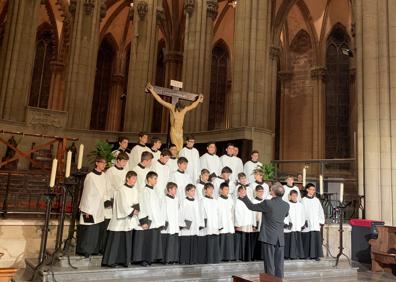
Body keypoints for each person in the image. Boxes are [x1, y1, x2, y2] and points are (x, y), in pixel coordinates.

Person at [239, 182, 290, 278]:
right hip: (280, 238)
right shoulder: (286, 205)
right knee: (279, 264)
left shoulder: (268, 203)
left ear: (272, 192)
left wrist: (244, 197)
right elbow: (285, 214)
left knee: (269, 264)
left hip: (269, 237)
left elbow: (251, 207)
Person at [146, 82, 204, 153]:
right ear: (177, 107)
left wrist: (198, 99)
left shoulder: (184, 109)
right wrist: (152, 90)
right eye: (179, 109)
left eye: (181, 109)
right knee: (176, 148)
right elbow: (160, 100)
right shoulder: (172, 107)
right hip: (174, 130)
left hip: (180, 131)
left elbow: (193, 105)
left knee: (181, 149)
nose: (180, 111)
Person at [102, 171, 139, 267]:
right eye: (133, 178)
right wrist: (131, 211)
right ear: (127, 178)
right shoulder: (121, 190)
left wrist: (136, 210)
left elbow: (136, 202)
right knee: (116, 241)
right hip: (120, 220)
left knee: (126, 241)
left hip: (129, 219)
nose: (135, 180)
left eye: (136, 179)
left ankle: (124, 261)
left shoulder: (134, 190)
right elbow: (122, 204)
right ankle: (110, 261)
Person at [76, 156, 107, 258]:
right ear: (97, 163)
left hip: (99, 207)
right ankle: (85, 250)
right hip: (89, 206)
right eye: (102, 163)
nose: (104, 165)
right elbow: (86, 193)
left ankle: (94, 249)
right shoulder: (90, 176)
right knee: (88, 229)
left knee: (97, 229)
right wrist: (86, 209)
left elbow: (105, 190)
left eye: (105, 163)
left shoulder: (104, 175)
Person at [132, 171, 165, 266]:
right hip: (146, 220)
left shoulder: (154, 191)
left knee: (150, 240)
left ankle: (149, 258)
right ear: (149, 179)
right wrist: (143, 221)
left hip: (153, 221)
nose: (156, 181)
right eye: (155, 178)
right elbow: (142, 206)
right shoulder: (143, 191)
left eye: (156, 179)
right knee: (143, 240)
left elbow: (156, 208)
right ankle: (141, 259)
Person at [179, 184, 204, 264]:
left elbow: (199, 213)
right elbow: (181, 213)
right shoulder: (184, 201)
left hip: (195, 225)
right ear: (187, 191)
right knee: (186, 243)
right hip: (186, 224)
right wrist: (183, 223)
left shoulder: (196, 202)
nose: (194, 192)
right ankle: (184, 260)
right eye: (192, 190)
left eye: (194, 191)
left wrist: (200, 224)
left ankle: (192, 260)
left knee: (193, 242)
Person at [199, 183, 222, 264]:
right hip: (207, 225)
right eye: (209, 189)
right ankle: (208, 260)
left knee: (215, 242)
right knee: (208, 243)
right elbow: (201, 213)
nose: (211, 191)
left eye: (212, 189)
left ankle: (215, 259)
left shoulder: (215, 201)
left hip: (215, 225)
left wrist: (220, 224)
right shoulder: (202, 200)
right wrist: (203, 224)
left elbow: (219, 213)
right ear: (205, 190)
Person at [301, 183, 325, 261]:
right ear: (307, 190)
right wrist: (303, 221)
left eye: (314, 190)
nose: (313, 191)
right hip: (307, 223)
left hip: (315, 223)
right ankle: (306, 255)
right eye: (311, 189)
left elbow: (320, 211)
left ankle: (316, 255)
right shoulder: (303, 200)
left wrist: (321, 220)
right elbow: (301, 212)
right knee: (307, 238)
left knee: (315, 239)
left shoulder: (316, 200)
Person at [234, 185, 256, 261]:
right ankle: (242, 257)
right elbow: (237, 213)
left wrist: (253, 223)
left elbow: (252, 211)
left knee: (248, 241)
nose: (244, 192)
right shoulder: (238, 201)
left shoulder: (248, 200)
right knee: (242, 241)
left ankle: (248, 257)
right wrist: (238, 224)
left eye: (245, 191)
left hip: (248, 223)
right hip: (242, 224)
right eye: (242, 191)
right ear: (239, 192)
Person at [160, 182, 180, 264]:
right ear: (169, 189)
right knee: (167, 241)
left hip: (175, 223)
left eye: (176, 189)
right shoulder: (164, 199)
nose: (176, 191)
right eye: (174, 189)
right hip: (167, 223)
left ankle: (173, 259)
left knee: (174, 241)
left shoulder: (176, 199)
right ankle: (165, 259)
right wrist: (163, 222)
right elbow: (162, 211)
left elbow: (178, 211)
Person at [284, 190, 305, 260]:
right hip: (290, 227)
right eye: (293, 196)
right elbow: (285, 215)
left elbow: (303, 215)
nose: (294, 197)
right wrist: (287, 223)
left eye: (296, 196)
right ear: (290, 196)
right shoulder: (287, 205)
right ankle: (290, 255)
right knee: (290, 241)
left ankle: (298, 254)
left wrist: (302, 224)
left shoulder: (300, 205)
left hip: (298, 226)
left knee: (298, 241)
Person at [218, 182, 236, 262]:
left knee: (229, 240)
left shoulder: (230, 200)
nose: (227, 191)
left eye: (228, 189)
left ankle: (229, 257)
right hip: (222, 223)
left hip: (229, 222)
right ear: (221, 190)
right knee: (222, 240)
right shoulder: (218, 200)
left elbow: (232, 212)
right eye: (225, 189)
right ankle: (221, 257)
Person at [252, 185, 265, 260]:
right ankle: (256, 256)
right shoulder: (254, 201)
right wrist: (254, 224)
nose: (261, 193)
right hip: (257, 224)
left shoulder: (265, 201)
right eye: (259, 191)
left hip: (264, 224)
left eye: (262, 191)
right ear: (256, 192)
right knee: (256, 240)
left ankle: (262, 256)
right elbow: (253, 214)